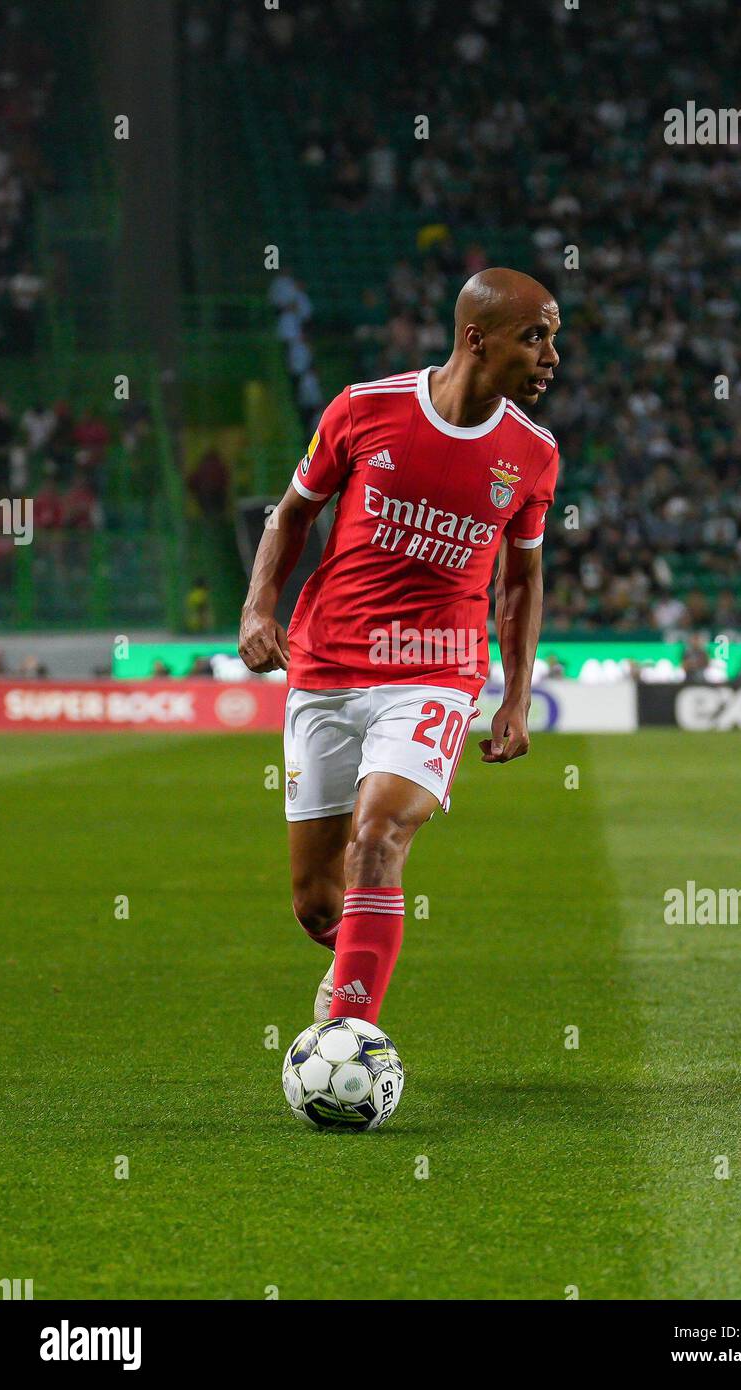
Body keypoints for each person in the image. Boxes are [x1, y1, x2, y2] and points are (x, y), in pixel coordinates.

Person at [239, 267, 560, 1027]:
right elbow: (290, 516)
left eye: (554, 340)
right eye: (536, 337)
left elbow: (522, 581)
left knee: (378, 835)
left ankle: (347, 1038)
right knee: (320, 904)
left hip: (437, 671)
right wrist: (258, 608)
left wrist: (515, 695)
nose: (551, 358)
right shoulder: (364, 408)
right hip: (328, 664)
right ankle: (352, 971)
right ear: (476, 339)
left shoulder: (533, 453)